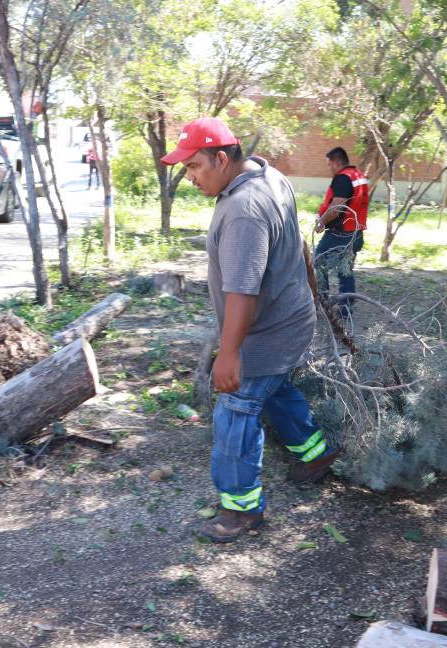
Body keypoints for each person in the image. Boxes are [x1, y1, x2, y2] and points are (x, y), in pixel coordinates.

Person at [160, 117, 339, 543]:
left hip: (267, 331)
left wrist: (229, 353)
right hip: (291, 317)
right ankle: (315, 454)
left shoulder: (243, 209)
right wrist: (312, 292)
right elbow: (297, 244)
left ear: (222, 159)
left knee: (235, 413)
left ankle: (241, 508)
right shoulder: (269, 175)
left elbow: (243, 291)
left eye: (195, 166)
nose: (190, 177)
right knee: (274, 389)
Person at [314, 147, 369, 316]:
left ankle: (322, 302)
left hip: (340, 234)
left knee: (318, 262)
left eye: (329, 164)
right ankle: (345, 308)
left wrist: (321, 223)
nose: (329, 168)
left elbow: (336, 208)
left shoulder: (343, 178)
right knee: (345, 270)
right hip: (356, 233)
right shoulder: (358, 175)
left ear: (337, 163)